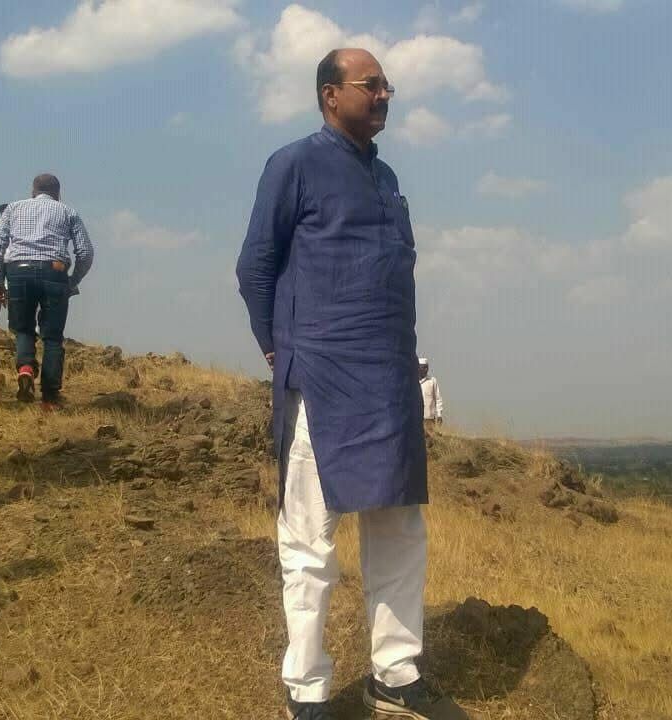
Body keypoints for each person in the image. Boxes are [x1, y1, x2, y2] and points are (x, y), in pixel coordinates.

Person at [236, 48, 467, 720]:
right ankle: (306, 689)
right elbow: (255, 267)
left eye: (387, 85)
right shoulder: (294, 164)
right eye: (372, 85)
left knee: (399, 529)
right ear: (330, 95)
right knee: (311, 540)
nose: (385, 94)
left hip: (388, 380)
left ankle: (395, 675)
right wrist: (279, 348)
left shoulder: (386, 178)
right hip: (322, 379)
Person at [0, 174, 93, 408]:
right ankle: (49, 397)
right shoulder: (68, 212)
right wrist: (72, 280)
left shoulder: (13, 208)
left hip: (18, 270)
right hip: (54, 271)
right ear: (58, 193)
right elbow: (85, 252)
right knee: (53, 336)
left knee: (23, 328)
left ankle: (26, 368)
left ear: (33, 191)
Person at [419, 358, 444, 428]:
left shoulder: (432, 381)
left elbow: (438, 399)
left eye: (427, 367)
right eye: (423, 367)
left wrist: (439, 415)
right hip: (415, 417)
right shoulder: (412, 381)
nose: (426, 370)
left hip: (429, 418)